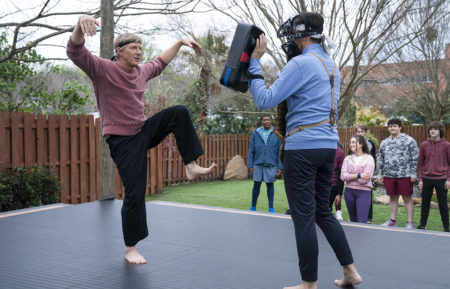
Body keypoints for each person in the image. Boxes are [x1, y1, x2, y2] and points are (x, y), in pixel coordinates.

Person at [67, 15, 216, 264]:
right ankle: (130, 249)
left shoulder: (141, 71)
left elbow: (160, 62)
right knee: (135, 193)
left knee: (178, 111)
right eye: (133, 48)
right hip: (122, 141)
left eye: (140, 48)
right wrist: (79, 25)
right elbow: (75, 51)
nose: (139, 52)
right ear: (119, 52)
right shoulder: (103, 69)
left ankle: (190, 165)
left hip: (142, 130)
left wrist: (180, 42)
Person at [248, 12, 362, 289]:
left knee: (303, 217)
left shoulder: (300, 64)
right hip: (328, 147)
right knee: (322, 212)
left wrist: (254, 64)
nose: (289, 38)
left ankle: (308, 283)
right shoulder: (330, 63)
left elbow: (264, 99)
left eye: (292, 33)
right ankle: (350, 271)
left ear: (303, 34)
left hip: (303, 148)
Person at [376, 118, 418, 229]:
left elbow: (415, 158)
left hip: (405, 174)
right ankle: (392, 221)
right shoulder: (385, 142)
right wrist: (379, 174)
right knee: (393, 198)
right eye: (390, 126)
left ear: (400, 127)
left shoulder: (409, 140)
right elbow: (380, 158)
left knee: (407, 199)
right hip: (389, 175)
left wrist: (414, 174)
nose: (392, 128)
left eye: (394, 126)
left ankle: (410, 223)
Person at [417, 121, 450, 232]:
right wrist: (420, 179)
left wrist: (449, 179)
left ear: (440, 131)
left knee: (443, 204)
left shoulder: (447, 145)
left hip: (441, 179)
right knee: (425, 203)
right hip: (426, 178)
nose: (432, 131)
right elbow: (420, 164)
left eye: (435, 129)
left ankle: (446, 227)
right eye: (431, 129)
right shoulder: (424, 145)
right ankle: (422, 225)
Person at [248, 114, 283, 213]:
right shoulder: (256, 133)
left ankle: (271, 208)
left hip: (271, 164)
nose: (266, 121)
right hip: (257, 163)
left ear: (271, 121)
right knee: (256, 185)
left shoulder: (276, 133)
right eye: (264, 120)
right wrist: (250, 165)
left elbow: (279, 151)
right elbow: (251, 150)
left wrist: (279, 166)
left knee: (270, 186)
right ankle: (253, 206)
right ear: (262, 122)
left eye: (268, 120)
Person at [341, 136, 375, 223]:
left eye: (353, 142)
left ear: (361, 144)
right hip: (349, 192)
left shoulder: (369, 158)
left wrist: (350, 177)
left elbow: (366, 179)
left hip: (363, 192)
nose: (351, 144)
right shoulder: (347, 158)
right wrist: (359, 175)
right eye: (350, 142)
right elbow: (343, 176)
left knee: (362, 221)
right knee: (353, 221)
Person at [356, 125, 377, 223]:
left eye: (362, 131)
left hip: (367, 174)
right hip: (355, 175)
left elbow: (373, 160)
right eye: (358, 131)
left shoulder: (370, 144)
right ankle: (355, 216)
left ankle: (369, 218)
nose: (360, 133)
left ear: (366, 132)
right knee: (355, 195)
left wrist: (371, 173)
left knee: (367, 195)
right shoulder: (353, 144)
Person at [330, 143, 345, 221]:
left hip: (333, 185)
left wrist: (339, 194)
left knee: (326, 210)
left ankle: (338, 211)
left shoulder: (340, 153)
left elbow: (340, 174)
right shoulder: (323, 149)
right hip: (321, 185)